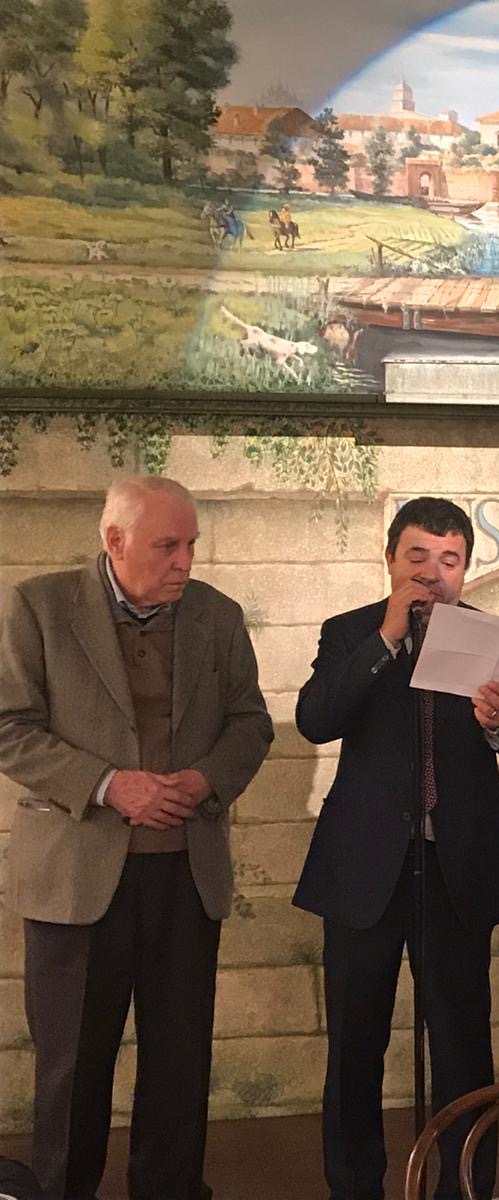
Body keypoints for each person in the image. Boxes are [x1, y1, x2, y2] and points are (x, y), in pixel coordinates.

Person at [0, 476, 273, 1200]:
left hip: (187, 874)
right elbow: (8, 726)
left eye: (191, 545)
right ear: (114, 540)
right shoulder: (40, 607)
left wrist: (208, 778)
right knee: (72, 1068)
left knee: (180, 1064)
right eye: (167, 545)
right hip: (76, 879)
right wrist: (108, 785)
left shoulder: (217, 615)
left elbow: (251, 723)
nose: (185, 561)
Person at [294, 497, 499, 1200]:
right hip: (364, 870)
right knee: (354, 1045)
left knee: (463, 1047)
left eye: (449, 561)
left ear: (465, 569)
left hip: (455, 869)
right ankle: (355, 1187)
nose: (433, 574)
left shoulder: (493, 639)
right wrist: (385, 637)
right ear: (390, 560)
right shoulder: (349, 632)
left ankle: (464, 1188)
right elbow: (315, 719)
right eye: (418, 558)